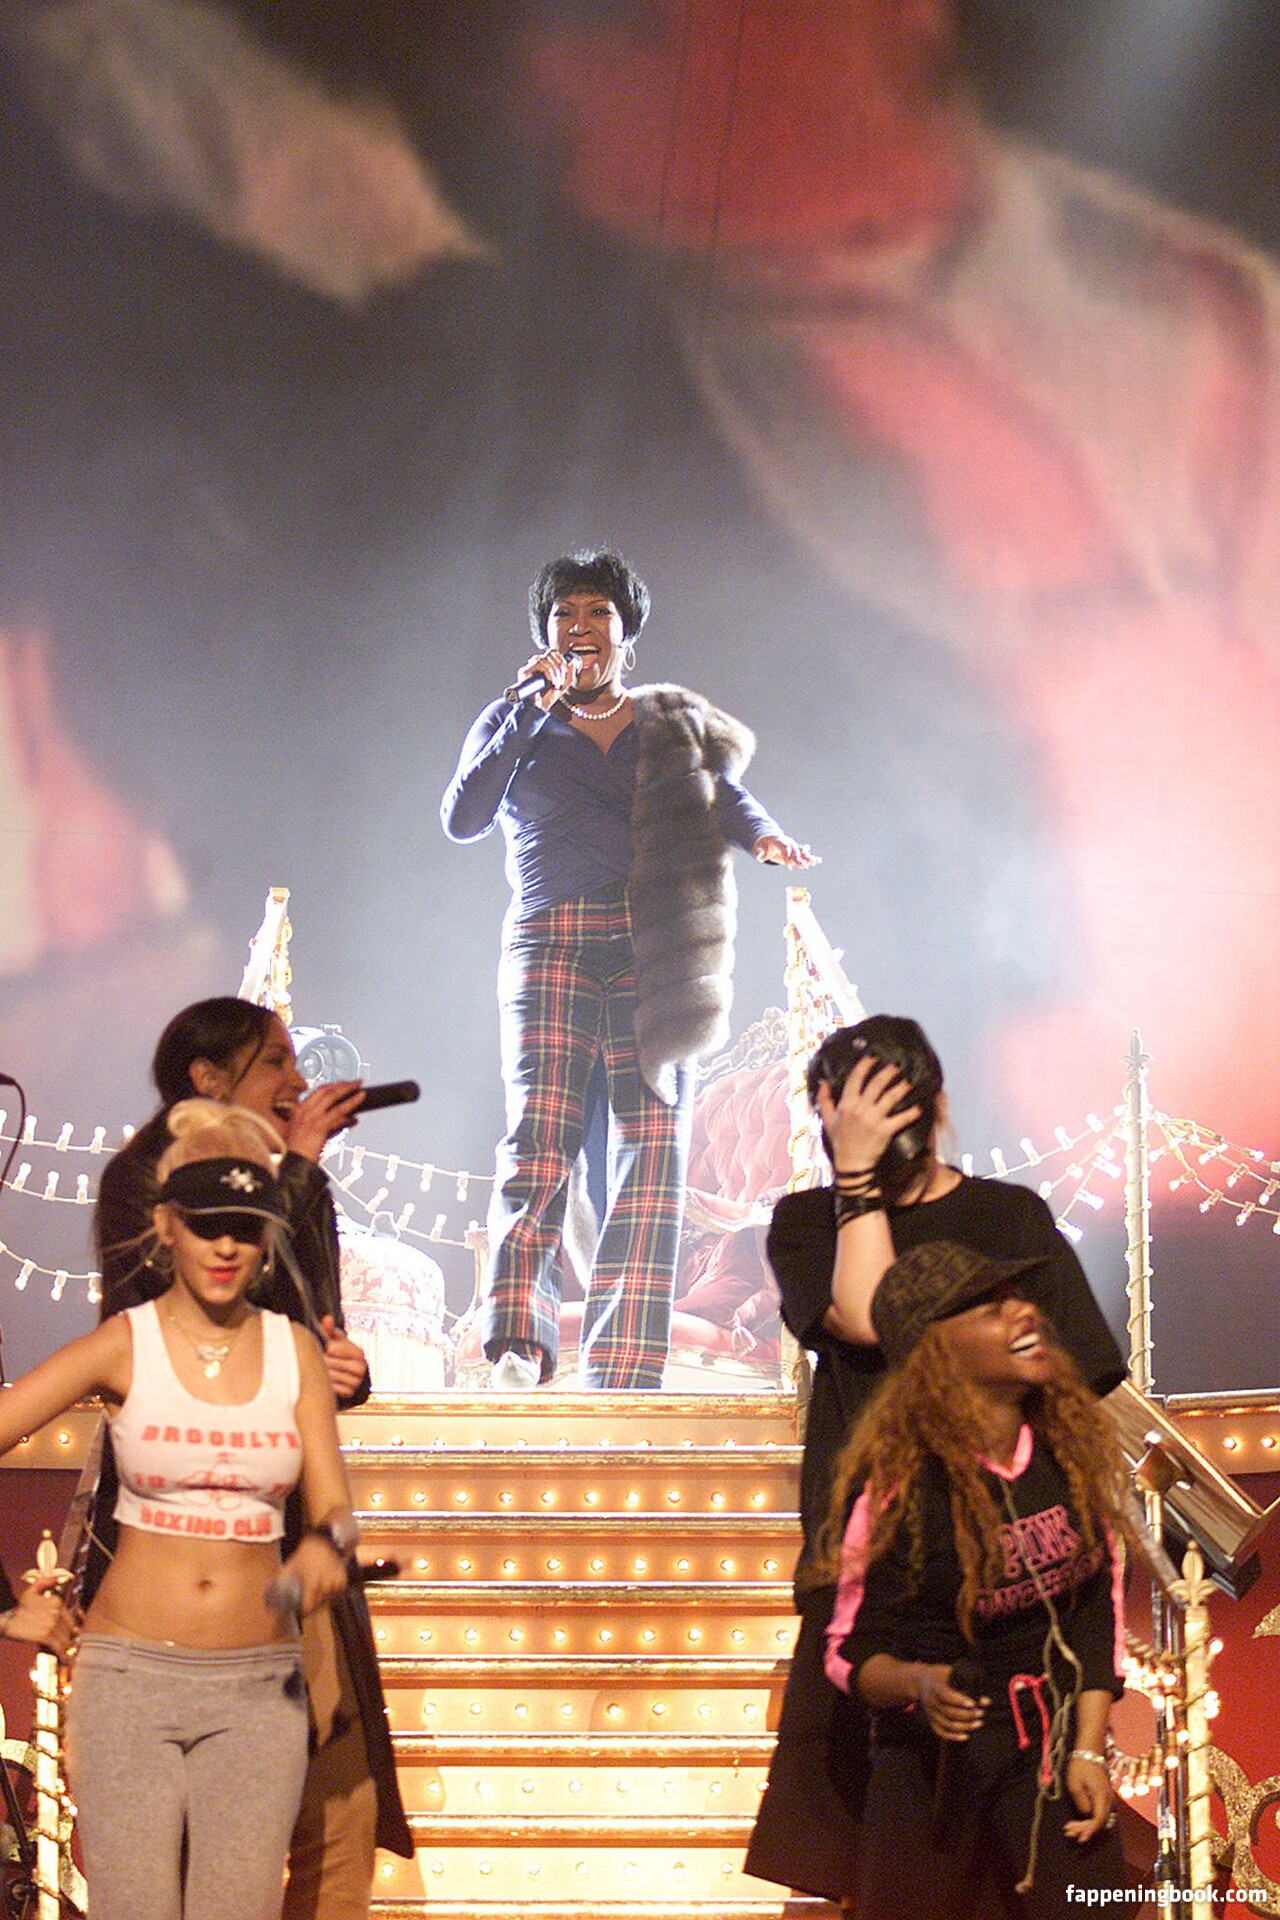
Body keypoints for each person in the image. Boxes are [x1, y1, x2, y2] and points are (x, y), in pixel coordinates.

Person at [745, 1014, 1126, 1903]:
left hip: (1021, 1566)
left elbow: (1077, 1377)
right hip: (882, 1569)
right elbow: (872, 1317)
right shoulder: (807, 1223)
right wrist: (854, 1179)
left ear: (933, 1103)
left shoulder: (1006, 1216)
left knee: (1040, 1864)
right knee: (892, 1857)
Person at [441, 547, 817, 1390]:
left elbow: (721, 793)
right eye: (564, 615)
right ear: (545, 634)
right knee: (540, 1136)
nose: (581, 627)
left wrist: (763, 835)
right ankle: (517, 1343)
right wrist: (525, 710)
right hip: (551, 941)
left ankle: (625, 1365)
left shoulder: (664, 723)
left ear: (626, 634)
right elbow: (464, 815)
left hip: (656, 948)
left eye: (598, 613)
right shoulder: (515, 718)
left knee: (652, 1149)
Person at [90, 997, 413, 1918]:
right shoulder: (147, 1180)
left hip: (291, 1540)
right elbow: (176, 1326)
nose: (298, 1082)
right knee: (185, 1858)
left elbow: (304, 1332)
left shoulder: (296, 1185)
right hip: (175, 1587)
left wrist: (340, 1369)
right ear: (207, 1075)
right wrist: (295, 1170)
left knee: (339, 1815)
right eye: (276, 1060)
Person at [0, 1101, 354, 1920]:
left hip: (258, 1686)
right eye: (206, 1224)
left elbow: (335, 1506)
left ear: (268, 1236)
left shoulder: (295, 1353)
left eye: (245, 1226)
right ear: (166, 1225)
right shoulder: (124, 1343)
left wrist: (326, 1548)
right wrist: (5, 1609)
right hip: (129, 1682)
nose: (225, 1246)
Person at [821, 1238, 1133, 1917]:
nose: (1024, 1313)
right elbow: (847, 1652)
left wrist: (1088, 1750)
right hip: (932, 1772)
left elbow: (1096, 1613)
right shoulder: (900, 1490)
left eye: (1017, 1298)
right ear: (935, 1349)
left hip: (1051, 1752)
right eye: (992, 1309)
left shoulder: (1068, 1455)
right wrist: (917, 1683)